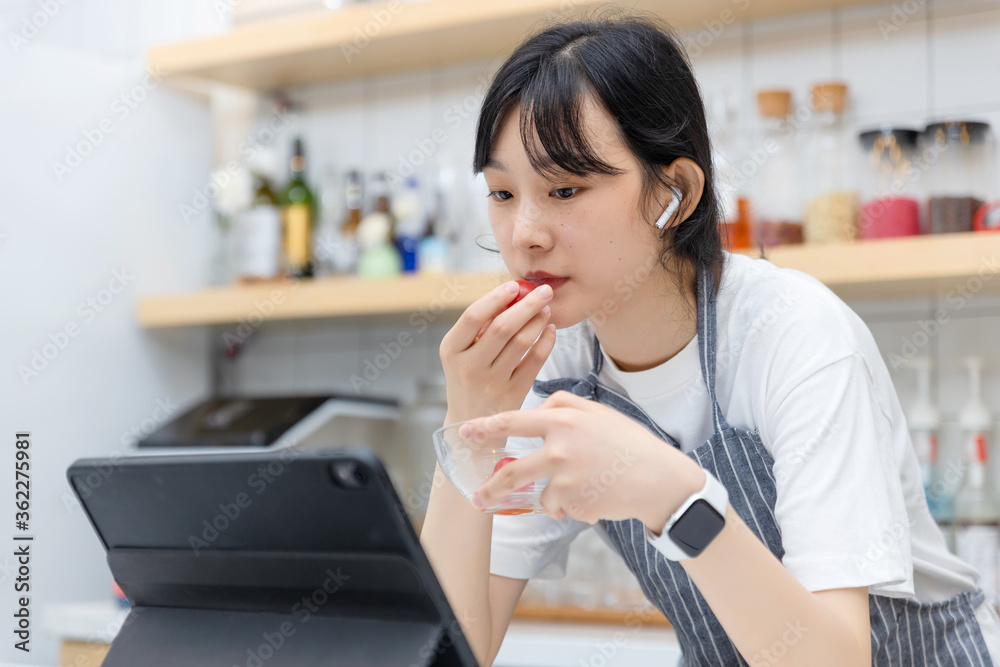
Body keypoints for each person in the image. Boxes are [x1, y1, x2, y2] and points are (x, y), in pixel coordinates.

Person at [419, 10, 1000, 666]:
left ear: (676, 190)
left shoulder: (795, 334)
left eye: (565, 187)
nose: (523, 233)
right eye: (501, 192)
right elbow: (450, 650)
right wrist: (468, 427)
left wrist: (674, 496)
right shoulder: (553, 368)